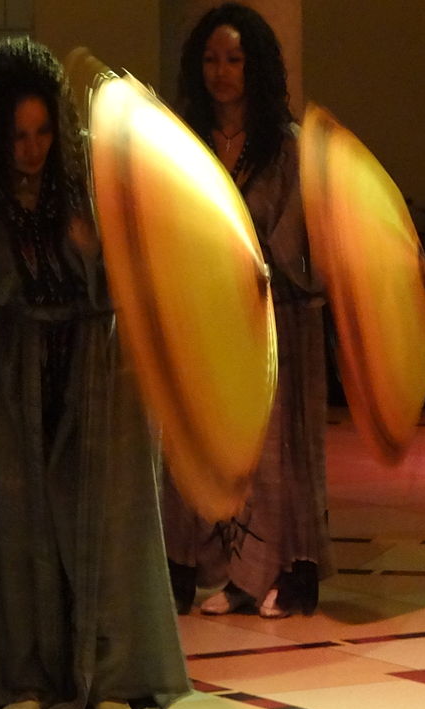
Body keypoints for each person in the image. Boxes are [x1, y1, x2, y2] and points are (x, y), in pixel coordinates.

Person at [0, 38, 189, 709]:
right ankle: (25, 672)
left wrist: (105, 253)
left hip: (100, 365)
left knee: (109, 520)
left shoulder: (91, 171)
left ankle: (114, 673)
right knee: (21, 524)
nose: (32, 150)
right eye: (15, 138)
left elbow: (156, 255)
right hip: (13, 373)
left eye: (41, 133)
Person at [163, 2, 331, 619]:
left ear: (255, 65)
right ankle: (206, 567)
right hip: (207, 316)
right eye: (210, 59)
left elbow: (299, 236)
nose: (221, 71)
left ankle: (283, 574)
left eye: (234, 58)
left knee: (274, 449)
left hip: (273, 314)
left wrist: (253, 259)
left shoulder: (284, 148)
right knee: (202, 441)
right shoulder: (185, 141)